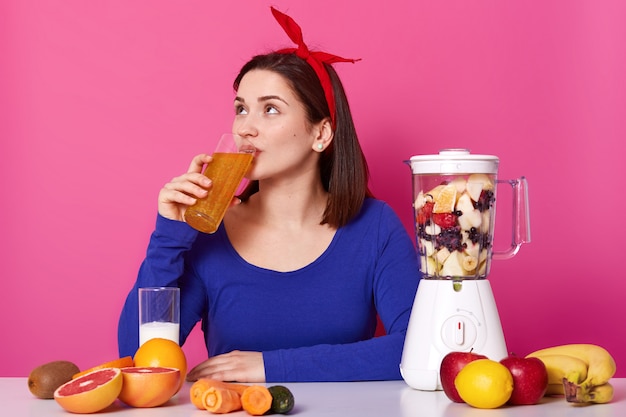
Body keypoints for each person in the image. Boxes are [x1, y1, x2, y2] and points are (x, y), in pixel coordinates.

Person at [118, 7, 420, 383]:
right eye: (241, 109)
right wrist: (169, 235)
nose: (245, 128)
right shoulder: (209, 231)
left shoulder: (375, 227)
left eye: (270, 109)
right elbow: (139, 361)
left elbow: (418, 350)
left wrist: (270, 366)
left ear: (321, 134)